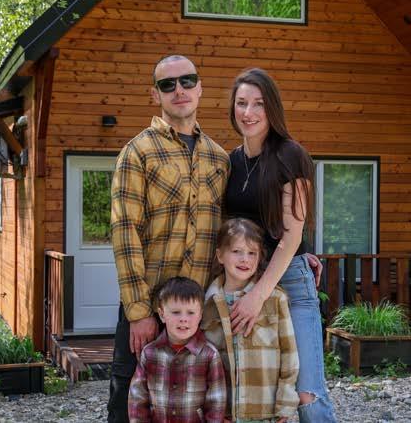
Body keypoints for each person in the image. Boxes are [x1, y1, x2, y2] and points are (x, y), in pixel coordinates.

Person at [108, 55, 230, 422]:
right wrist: (139, 312)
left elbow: (234, 229)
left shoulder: (219, 159)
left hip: (199, 310)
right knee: (130, 400)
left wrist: (301, 252)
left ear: (200, 88)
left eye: (187, 81)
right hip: (150, 306)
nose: (179, 90)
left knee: (197, 401)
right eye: (168, 84)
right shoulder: (137, 153)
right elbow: (124, 232)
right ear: (155, 94)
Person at [222, 68, 337, 422]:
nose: (248, 112)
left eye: (258, 103)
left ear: (272, 107)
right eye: (241, 103)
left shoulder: (291, 156)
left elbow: (292, 235)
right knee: (260, 392)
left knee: (306, 391)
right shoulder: (230, 162)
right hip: (244, 282)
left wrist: (257, 297)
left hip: (288, 283)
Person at [201, 218, 298, 423]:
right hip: (225, 413)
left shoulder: (275, 299)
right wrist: (212, 409)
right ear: (220, 255)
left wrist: (286, 402)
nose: (245, 259)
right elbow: (202, 363)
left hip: (265, 411)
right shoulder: (206, 304)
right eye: (237, 251)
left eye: (252, 253)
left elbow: (289, 354)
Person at [128, 277, 227, 423]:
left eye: (190, 312)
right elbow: (137, 398)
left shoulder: (209, 355)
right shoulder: (149, 353)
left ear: (200, 315)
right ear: (162, 314)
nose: (183, 319)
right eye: (176, 312)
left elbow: (216, 402)